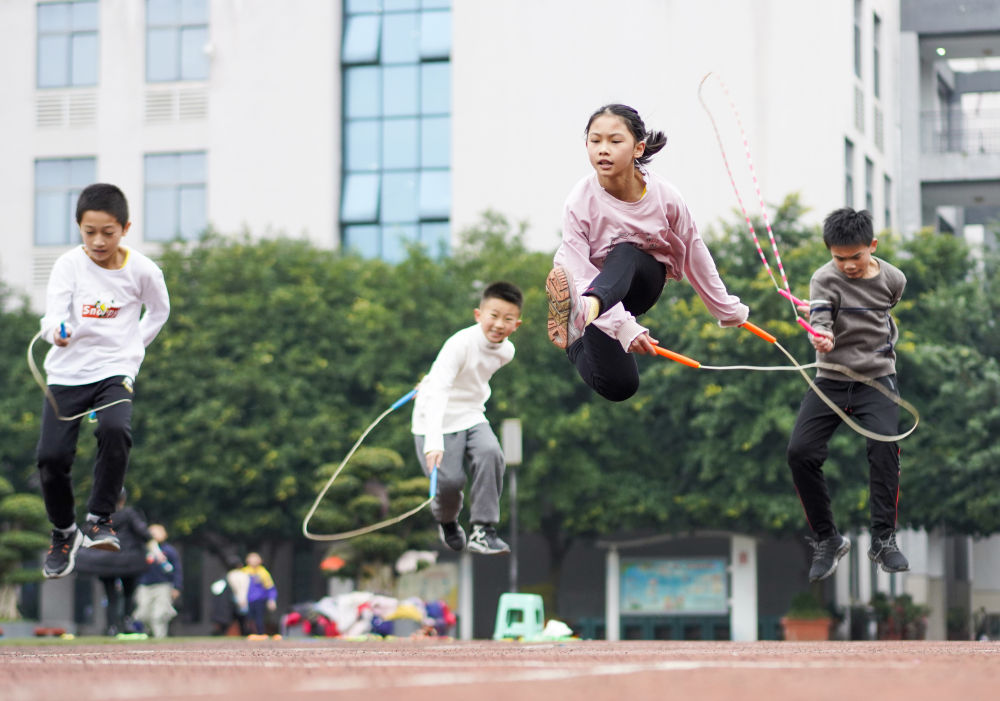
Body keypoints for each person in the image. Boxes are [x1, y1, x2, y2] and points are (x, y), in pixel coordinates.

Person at [545, 104, 749, 402]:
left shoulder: (665, 197)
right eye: (595, 140)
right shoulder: (578, 202)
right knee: (620, 386)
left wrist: (725, 308)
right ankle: (574, 329)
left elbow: (694, 250)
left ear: (638, 148)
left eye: (615, 141)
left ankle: (583, 313)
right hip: (586, 292)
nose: (603, 149)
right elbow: (577, 272)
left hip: (641, 282)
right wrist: (622, 326)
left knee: (625, 252)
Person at [36, 183, 170, 579]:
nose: (98, 241)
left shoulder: (143, 270)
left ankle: (99, 518)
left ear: (125, 228)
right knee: (51, 458)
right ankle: (64, 531)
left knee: (115, 430)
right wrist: (56, 332)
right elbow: (51, 318)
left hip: (114, 371)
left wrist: (132, 349)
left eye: (107, 232)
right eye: (89, 231)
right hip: (67, 373)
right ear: (79, 227)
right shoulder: (68, 266)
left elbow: (159, 312)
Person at [786, 207, 909, 582]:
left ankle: (883, 539)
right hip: (832, 379)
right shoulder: (824, 279)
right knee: (800, 452)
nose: (848, 266)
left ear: (872, 246)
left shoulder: (893, 279)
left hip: (876, 379)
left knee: (885, 446)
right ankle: (828, 539)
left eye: (856, 256)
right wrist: (819, 335)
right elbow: (820, 317)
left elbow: (886, 313)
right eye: (839, 258)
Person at [411, 282, 522, 555]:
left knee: (491, 453)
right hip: (434, 419)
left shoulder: (507, 352)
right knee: (449, 483)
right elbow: (440, 388)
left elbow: (469, 377)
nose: (498, 325)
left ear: (516, 325)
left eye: (507, 319)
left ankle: (483, 530)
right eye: (493, 316)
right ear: (478, 315)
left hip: (471, 413)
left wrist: (432, 379)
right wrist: (433, 441)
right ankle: (447, 521)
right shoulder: (459, 344)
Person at [74, 489, 155, 635]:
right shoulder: (129, 514)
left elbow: (87, 533)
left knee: (110, 595)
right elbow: (143, 533)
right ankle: (127, 623)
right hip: (128, 560)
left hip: (105, 560)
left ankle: (111, 627)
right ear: (123, 499)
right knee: (128, 594)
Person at [134, 523, 182, 638]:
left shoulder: (169, 551)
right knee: (142, 614)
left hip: (163, 585)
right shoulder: (143, 550)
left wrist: (177, 587)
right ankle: (149, 633)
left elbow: (177, 570)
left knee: (159, 615)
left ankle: (159, 638)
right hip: (144, 586)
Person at [242, 552, 277, 635]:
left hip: (259, 600)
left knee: (259, 619)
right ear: (247, 560)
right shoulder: (244, 572)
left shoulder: (263, 573)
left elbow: (270, 588)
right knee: (247, 620)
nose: (254, 561)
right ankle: (248, 635)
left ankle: (260, 635)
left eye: (256, 558)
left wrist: (272, 600)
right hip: (246, 601)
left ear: (260, 561)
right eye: (252, 558)